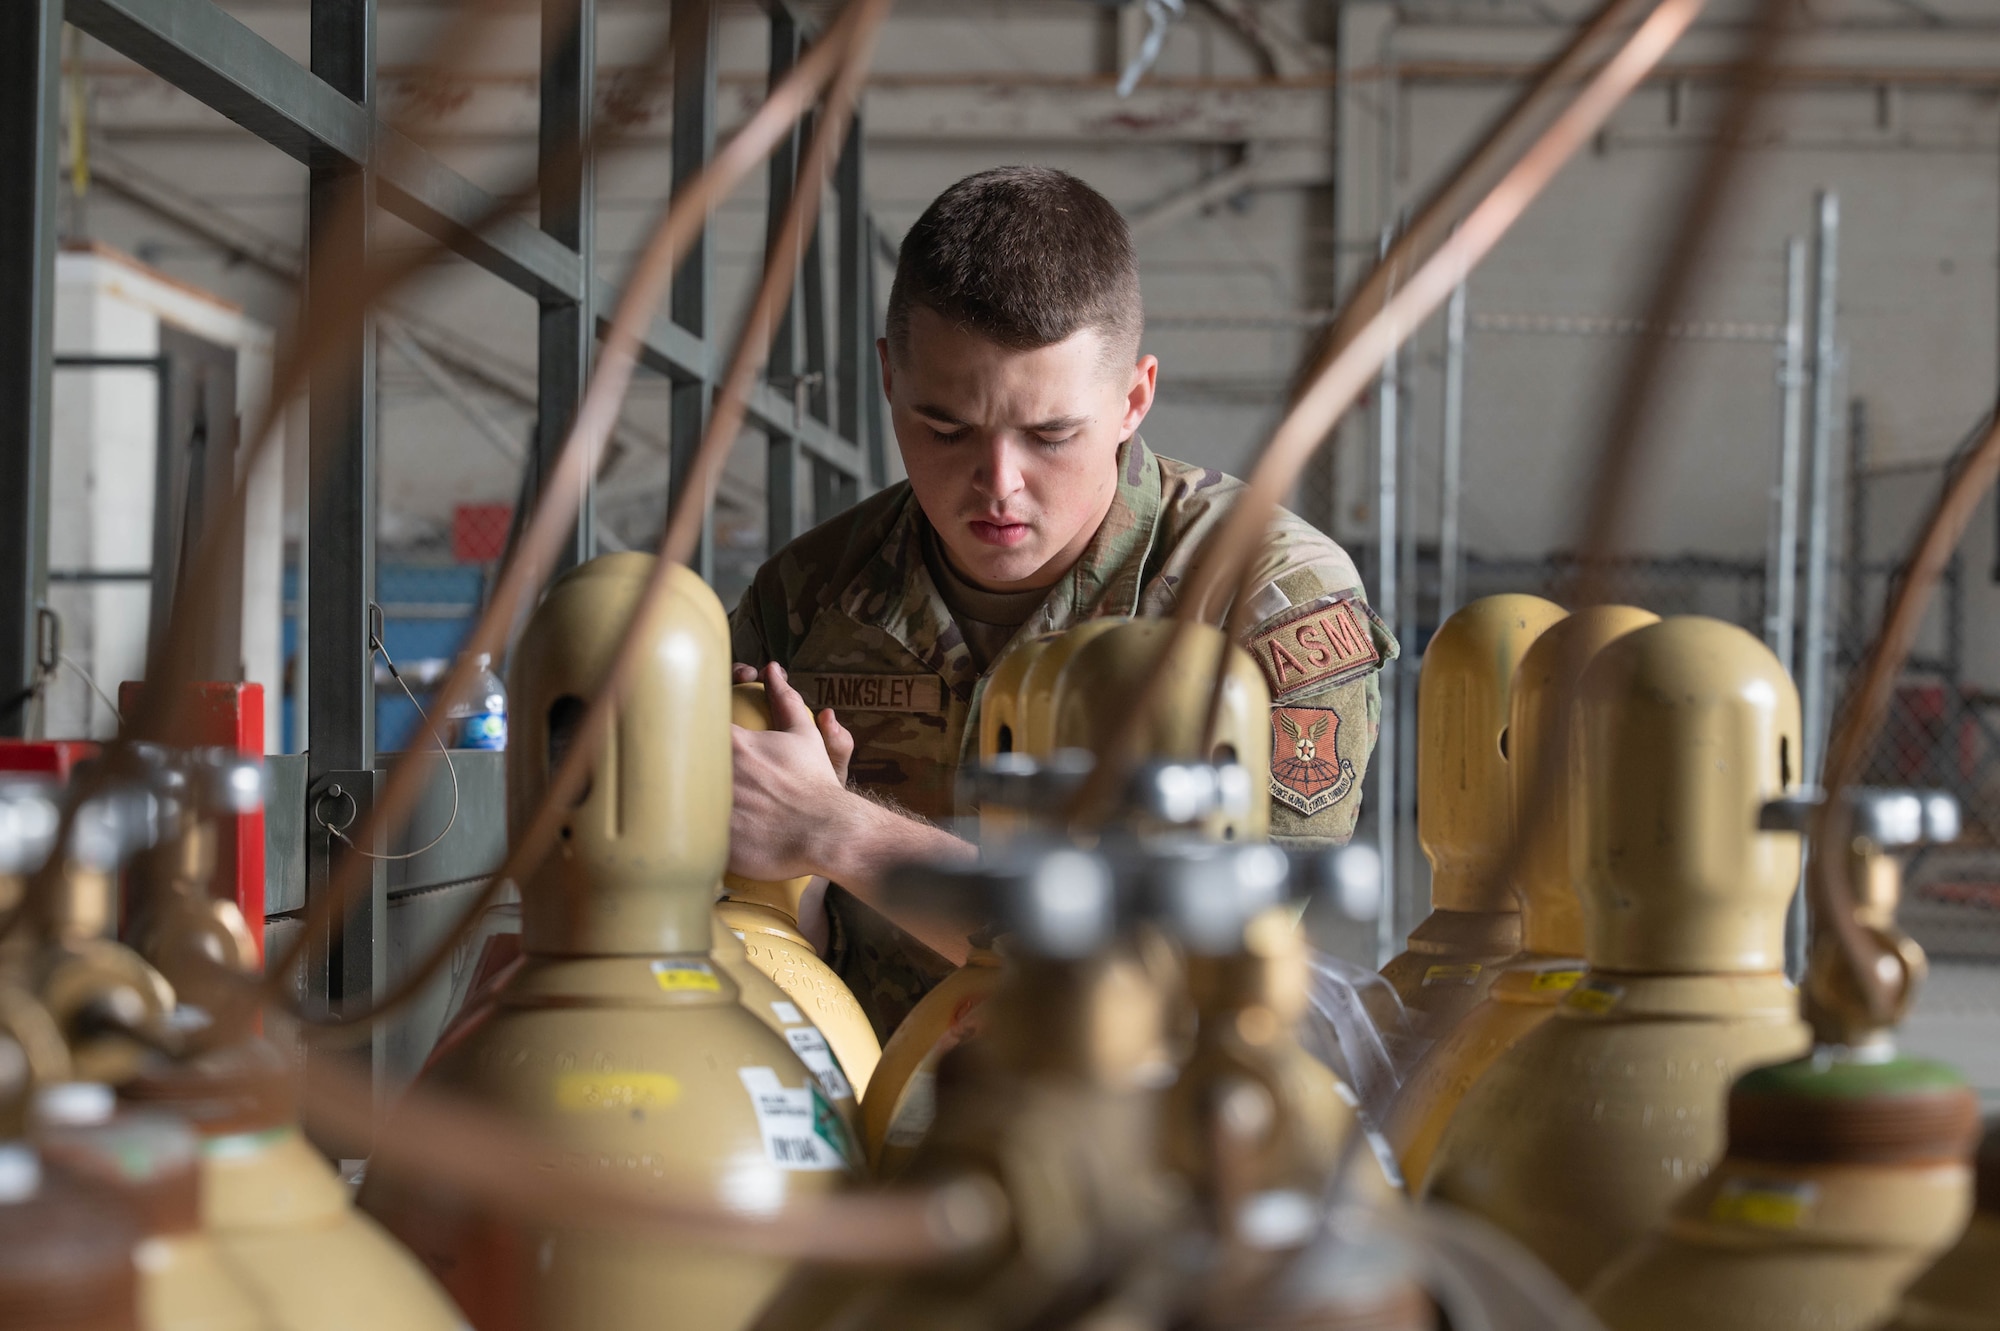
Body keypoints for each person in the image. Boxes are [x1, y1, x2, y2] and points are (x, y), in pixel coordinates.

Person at [729, 166, 1396, 1040]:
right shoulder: (807, 597)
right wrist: (790, 882)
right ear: (889, 379)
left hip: (1138, 1142)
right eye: (946, 429)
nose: (998, 484)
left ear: (1133, 397)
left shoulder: (1266, 607)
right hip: (863, 1124)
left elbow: (1185, 972)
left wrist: (833, 828)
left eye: (1050, 436)